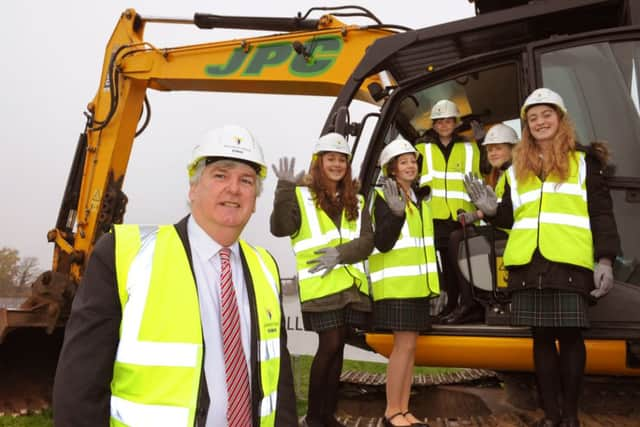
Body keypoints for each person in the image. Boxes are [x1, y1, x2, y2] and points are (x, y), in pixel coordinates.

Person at [53, 125, 297, 427]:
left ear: (255, 200)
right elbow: (80, 387)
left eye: (246, 180)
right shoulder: (124, 254)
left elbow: (280, 381)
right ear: (193, 188)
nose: (234, 188)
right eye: (220, 175)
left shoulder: (266, 267)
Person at [465, 88, 620, 427]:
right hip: (528, 262)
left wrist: (605, 260)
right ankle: (551, 415)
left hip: (568, 258)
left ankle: (570, 417)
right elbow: (511, 216)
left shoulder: (584, 162)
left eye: (546, 114)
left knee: (570, 336)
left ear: (561, 118)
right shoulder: (516, 168)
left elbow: (602, 213)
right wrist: (492, 211)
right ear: (526, 127)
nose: (539, 122)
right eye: (532, 118)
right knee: (541, 338)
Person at [270, 133, 374, 427]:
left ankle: (327, 414)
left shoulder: (356, 199)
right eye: (331, 158)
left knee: (338, 346)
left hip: (349, 286)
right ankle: (316, 417)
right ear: (319, 162)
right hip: (321, 286)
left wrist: (340, 254)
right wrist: (284, 188)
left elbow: (367, 240)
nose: (337, 164)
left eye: (342, 159)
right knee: (329, 346)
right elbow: (280, 228)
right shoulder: (301, 195)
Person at [369, 138, 439, 427]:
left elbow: (426, 247)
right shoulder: (385, 197)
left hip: (417, 286)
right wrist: (397, 215)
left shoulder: (419, 199)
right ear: (392, 168)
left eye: (413, 160)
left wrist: (437, 286)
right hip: (397, 287)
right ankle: (391, 412)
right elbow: (383, 242)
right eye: (404, 161)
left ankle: (404, 408)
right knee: (403, 348)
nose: (410, 165)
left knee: (410, 350)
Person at [443, 123, 518, 324]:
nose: (492, 153)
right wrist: (475, 215)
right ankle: (474, 299)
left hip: (515, 235)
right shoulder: (504, 174)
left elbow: (509, 215)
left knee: (459, 239)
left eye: (498, 148)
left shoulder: (515, 174)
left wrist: (486, 212)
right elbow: (500, 207)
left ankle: (472, 303)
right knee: (463, 234)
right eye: (489, 149)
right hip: (504, 231)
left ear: (513, 149)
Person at [415, 99, 482, 320]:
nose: (444, 125)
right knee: (445, 262)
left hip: (461, 214)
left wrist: (482, 143)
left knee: (461, 262)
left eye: (448, 121)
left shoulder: (470, 148)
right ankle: (451, 304)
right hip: (434, 215)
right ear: (433, 124)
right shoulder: (420, 148)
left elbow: (485, 171)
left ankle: (466, 303)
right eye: (439, 122)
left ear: (455, 123)